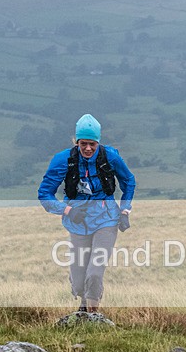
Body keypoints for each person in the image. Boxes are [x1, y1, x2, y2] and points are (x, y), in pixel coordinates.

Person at [38, 114, 136, 312]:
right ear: (77, 142)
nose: (88, 149)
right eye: (84, 144)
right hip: (77, 222)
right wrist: (66, 210)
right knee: (79, 276)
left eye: (92, 144)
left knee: (95, 272)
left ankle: (93, 314)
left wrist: (124, 210)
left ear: (98, 142)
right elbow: (44, 194)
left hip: (106, 220)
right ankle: (83, 309)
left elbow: (129, 181)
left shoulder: (110, 157)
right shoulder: (63, 160)